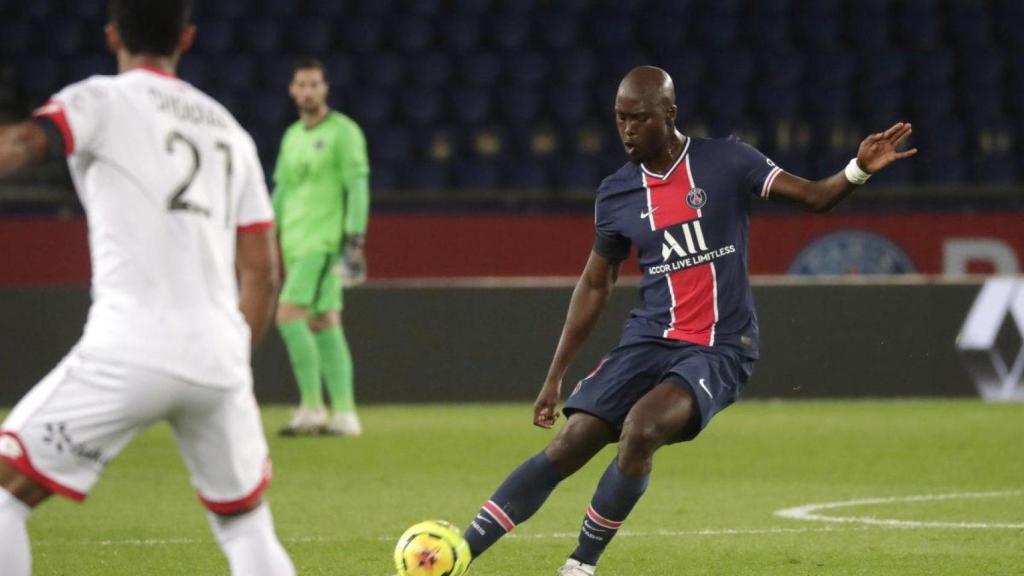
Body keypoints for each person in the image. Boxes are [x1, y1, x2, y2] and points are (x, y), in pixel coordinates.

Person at [460, 66, 917, 575]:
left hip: (719, 346)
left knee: (640, 430)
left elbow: (815, 196)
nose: (626, 130)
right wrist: (554, 376)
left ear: (669, 115)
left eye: (638, 118)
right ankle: (456, 554)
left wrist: (858, 168)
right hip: (647, 341)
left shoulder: (726, 161)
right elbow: (595, 284)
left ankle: (579, 567)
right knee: (572, 440)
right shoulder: (616, 193)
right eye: (619, 119)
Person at [0, 2, 295, 574]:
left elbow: (23, 146)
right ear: (186, 38)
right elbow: (263, 272)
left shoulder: (100, 99)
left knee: (6, 492)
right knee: (245, 524)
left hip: (130, 344)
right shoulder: (229, 131)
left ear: (112, 35)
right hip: (219, 355)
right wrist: (232, 361)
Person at [272, 59, 370, 437]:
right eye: (302, 84)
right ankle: (344, 413)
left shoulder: (344, 132)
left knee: (288, 315)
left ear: (325, 88)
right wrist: (266, 231)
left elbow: (357, 186)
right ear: (292, 90)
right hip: (293, 241)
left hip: (323, 241)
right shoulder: (291, 136)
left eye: (315, 84)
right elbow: (282, 190)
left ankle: (312, 407)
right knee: (323, 320)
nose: (308, 91)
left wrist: (354, 238)